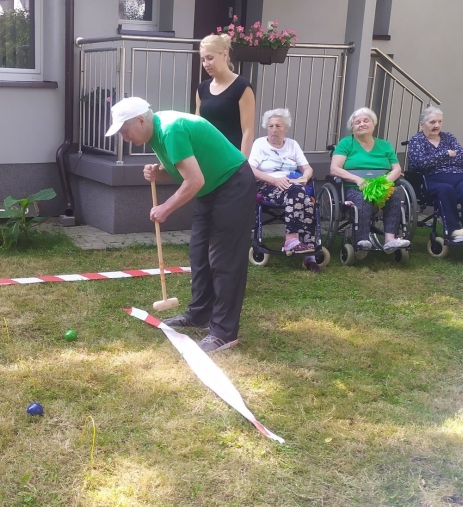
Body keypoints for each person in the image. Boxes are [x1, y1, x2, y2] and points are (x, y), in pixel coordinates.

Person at [105, 97, 255, 354]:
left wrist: (166, 208)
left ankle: (223, 332)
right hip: (212, 188)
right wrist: (160, 173)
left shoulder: (171, 129)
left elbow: (194, 180)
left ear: (140, 120)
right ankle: (199, 315)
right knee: (199, 254)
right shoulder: (155, 132)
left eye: (124, 130)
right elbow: (184, 168)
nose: (124, 137)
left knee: (224, 260)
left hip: (233, 184)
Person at [248, 108, 321, 273]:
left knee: (307, 201)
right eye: (271, 126)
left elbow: (307, 168)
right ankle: (291, 240)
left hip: (293, 187)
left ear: (285, 128)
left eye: (278, 126)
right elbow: (250, 169)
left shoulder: (292, 145)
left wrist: (304, 178)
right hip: (268, 186)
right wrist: (274, 180)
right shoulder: (260, 144)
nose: (274, 129)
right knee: (300, 195)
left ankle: (308, 253)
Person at [407, 106, 463, 245]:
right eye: (432, 122)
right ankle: (455, 231)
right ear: (422, 124)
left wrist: (435, 159)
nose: (437, 125)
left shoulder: (449, 137)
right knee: (446, 190)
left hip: (459, 177)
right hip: (432, 180)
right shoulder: (417, 140)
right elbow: (420, 163)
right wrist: (446, 154)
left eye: (439, 122)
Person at [329, 107, 411, 251]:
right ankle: (362, 239)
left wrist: (384, 183)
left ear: (373, 124)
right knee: (363, 197)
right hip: (354, 188)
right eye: (357, 122)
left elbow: (397, 169)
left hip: (382, 187)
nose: (362, 124)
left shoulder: (385, 145)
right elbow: (334, 168)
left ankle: (390, 239)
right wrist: (358, 180)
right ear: (352, 127)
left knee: (394, 195)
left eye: (366, 120)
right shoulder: (346, 143)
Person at [195, 34, 256, 156]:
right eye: (203, 60)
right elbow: (197, 126)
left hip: (231, 159)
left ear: (225, 54)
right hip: (206, 156)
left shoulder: (242, 87)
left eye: (210, 58)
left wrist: (242, 165)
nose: (206, 64)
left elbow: (248, 132)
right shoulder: (202, 88)